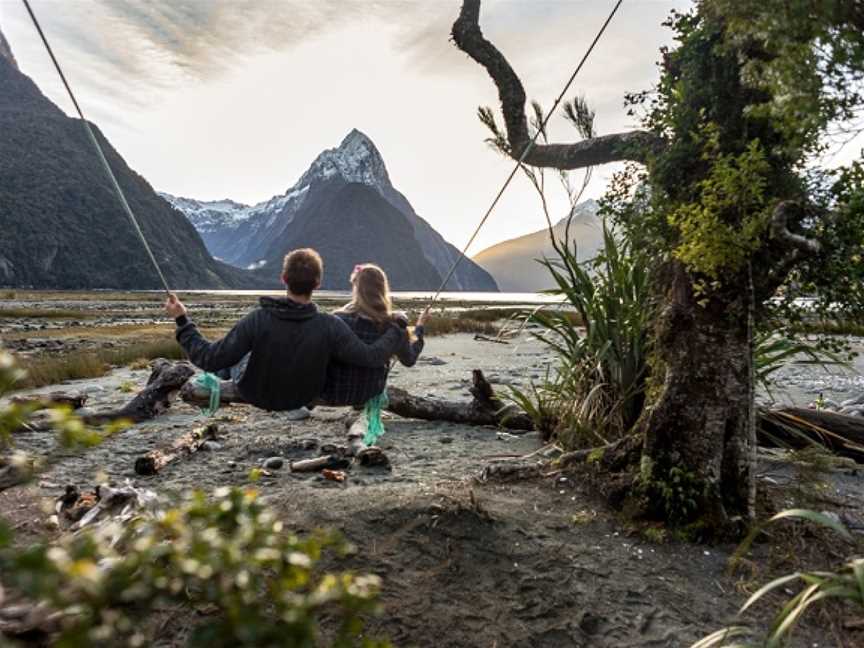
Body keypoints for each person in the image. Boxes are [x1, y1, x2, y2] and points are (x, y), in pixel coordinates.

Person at [164, 248, 407, 412]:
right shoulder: (330, 325)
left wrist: (183, 321)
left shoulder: (258, 319)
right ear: (318, 284)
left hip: (256, 393)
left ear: (283, 279)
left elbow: (207, 357)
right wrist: (397, 328)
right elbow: (370, 357)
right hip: (303, 396)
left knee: (231, 359)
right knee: (240, 356)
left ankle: (223, 376)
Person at [319, 263, 429, 454]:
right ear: (382, 289)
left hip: (335, 392)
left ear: (356, 289)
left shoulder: (337, 320)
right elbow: (409, 359)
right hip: (369, 392)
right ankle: (360, 423)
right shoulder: (394, 327)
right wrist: (419, 328)